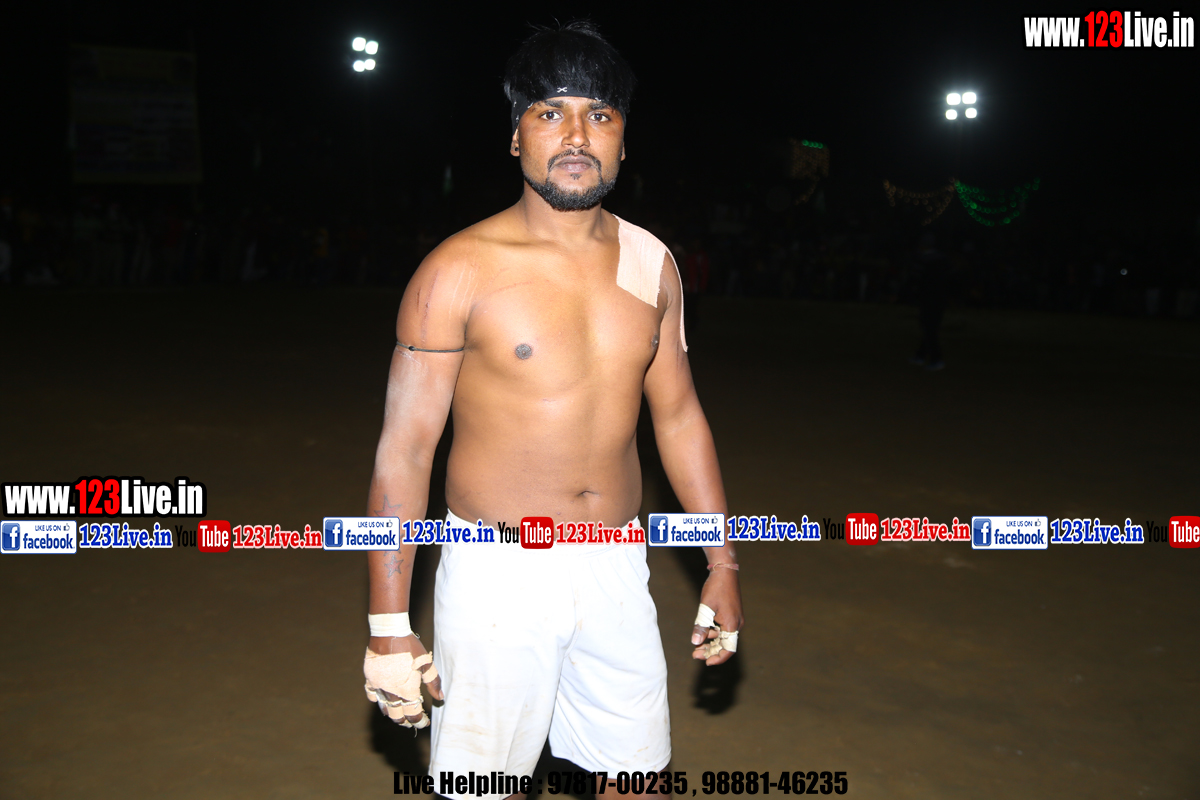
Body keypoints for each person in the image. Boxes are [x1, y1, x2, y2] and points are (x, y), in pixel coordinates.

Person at [362, 21, 743, 799]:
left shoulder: (652, 264)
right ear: (516, 138)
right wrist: (388, 626)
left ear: (624, 140)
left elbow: (679, 418)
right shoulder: (457, 271)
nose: (576, 136)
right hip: (498, 575)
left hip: (616, 566)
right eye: (549, 113)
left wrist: (722, 563)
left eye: (599, 115)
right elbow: (405, 449)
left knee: (637, 781)